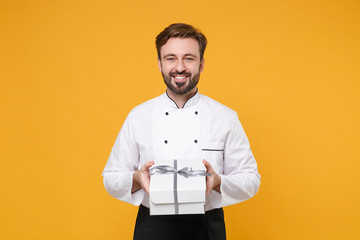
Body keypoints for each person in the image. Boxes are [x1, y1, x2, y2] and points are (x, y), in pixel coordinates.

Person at [102, 23, 260, 240]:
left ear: (201, 64)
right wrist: (137, 178)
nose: (179, 67)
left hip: (207, 227)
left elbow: (251, 179)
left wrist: (217, 181)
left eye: (189, 58)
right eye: (171, 58)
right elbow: (110, 178)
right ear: (159, 64)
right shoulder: (138, 116)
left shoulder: (225, 117)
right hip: (153, 226)